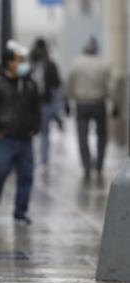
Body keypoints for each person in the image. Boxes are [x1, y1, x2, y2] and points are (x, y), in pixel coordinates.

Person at [0, 41, 41, 224]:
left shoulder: (29, 84)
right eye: (18, 60)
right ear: (8, 62)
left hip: (24, 138)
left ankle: (20, 212)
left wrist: (35, 127)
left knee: (27, 175)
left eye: (24, 60)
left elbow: (36, 108)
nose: (23, 64)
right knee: (0, 171)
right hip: (3, 138)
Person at [66, 37, 112, 180]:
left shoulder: (76, 64)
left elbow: (69, 84)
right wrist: (114, 103)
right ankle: (99, 165)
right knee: (102, 136)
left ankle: (86, 166)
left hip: (82, 104)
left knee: (82, 136)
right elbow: (109, 86)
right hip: (98, 103)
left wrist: (67, 101)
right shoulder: (103, 64)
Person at [29, 38, 63, 170]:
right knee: (45, 133)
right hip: (46, 103)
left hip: (31, 104)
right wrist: (58, 109)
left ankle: (31, 160)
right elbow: (56, 86)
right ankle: (43, 161)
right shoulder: (50, 63)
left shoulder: (29, 62)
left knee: (30, 133)